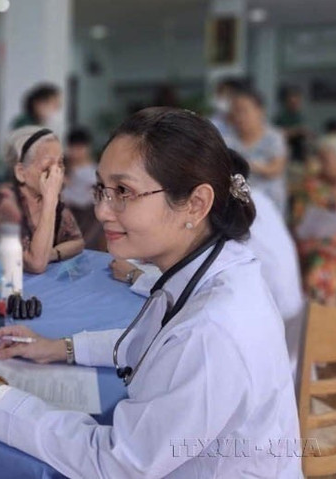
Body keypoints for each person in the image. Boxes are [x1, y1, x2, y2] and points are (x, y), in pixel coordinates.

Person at [0, 108, 300, 478]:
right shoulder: (209, 271)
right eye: (101, 189)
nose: (102, 211)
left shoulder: (213, 330)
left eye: (124, 191)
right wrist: (60, 348)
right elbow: (158, 341)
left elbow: (118, 462)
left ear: (196, 204)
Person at [110, 149, 305, 378]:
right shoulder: (249, 207)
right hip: (285, 334)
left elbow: (194, 283)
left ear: (200, 200)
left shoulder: (208, 320)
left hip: (271, 348)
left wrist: (138, 276)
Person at [0, 126, 84, 273]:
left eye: (60, 163)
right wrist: (50, 201)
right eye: (47, 167)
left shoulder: (51, 199)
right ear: (21, 172)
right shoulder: (6, 203)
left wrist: (52, 253)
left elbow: (77, 242)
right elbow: (36, 264)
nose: (56, 174)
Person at [292, 134, 336, 305]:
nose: (321, 165)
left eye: (326, 160)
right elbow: (299, 228)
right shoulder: (311, 187)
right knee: (323, 268)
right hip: (317, 250)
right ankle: (323, 324)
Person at [229, 87, 289, 214]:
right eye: (235, 111)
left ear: (259, 111)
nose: (238, 116)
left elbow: (276, 168)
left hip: (271, 202)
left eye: (243, 110)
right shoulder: (228, 140)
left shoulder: (274, 137)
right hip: (239, 205)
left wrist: (247, 165)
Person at [61, 126, 104, 250]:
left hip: (86, 217)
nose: (76, 152)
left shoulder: (94, 171)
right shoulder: (64, 167)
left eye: (79, 148)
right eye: (72, 148)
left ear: (87, 148)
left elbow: (86, 200)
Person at [274, 85, 311, 162]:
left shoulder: (301, 116)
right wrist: (296, 131)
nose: (295, 104)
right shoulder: (281, 117)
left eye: (298, 101)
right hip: (286, 153)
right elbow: (277, 134)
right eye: (292, 101)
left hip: (301, 154)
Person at [209, 77, 247, 146]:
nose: (220, 98)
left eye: (227, 94)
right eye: (219, 93)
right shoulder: (213, 123)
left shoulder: (249, 124)